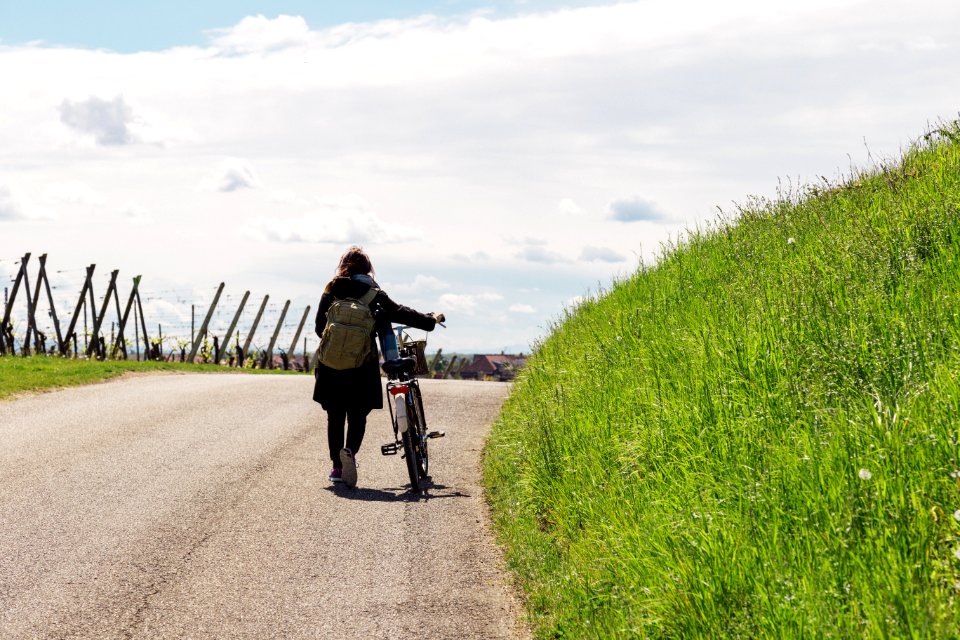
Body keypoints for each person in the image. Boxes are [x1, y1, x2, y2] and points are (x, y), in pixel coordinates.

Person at [313, 245, 444, 488]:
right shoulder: (374, 294)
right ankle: (349, 452)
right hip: (361, 366)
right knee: (357, 415)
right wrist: (431, 320)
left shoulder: (331, 290)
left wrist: (338, 344)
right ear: (368, 269)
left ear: (343, 266)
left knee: (335, 416)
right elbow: (401, 313)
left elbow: (319, 327)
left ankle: (336, 467)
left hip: (330, 365)